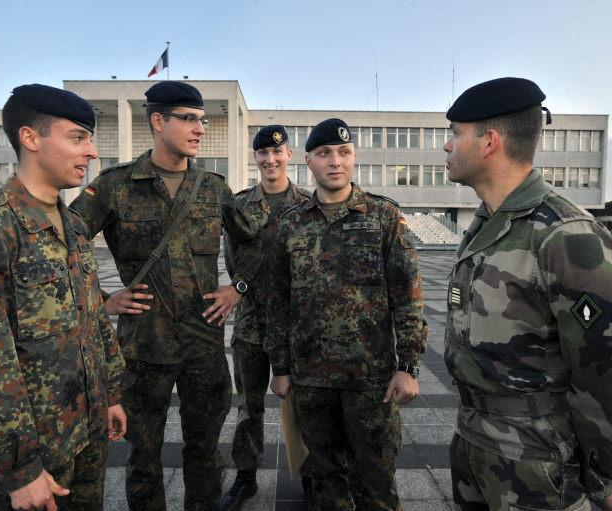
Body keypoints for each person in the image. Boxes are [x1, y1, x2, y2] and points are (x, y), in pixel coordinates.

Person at [442, 77, 612, 511]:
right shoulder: (488, 223)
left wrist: (601, 476)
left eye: (455, 134)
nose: (447, 146)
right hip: (475, 441)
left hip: (537, 463)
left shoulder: (565, 237)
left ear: (489, 141)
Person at [0, 83, 127, 511]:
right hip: (33, 457)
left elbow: (92, 319)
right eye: (78, 137)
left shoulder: (72, 225)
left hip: (85, 434)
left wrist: (111, 394)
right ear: (31, 138)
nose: (91, 152)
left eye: (89, 138)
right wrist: (19, 469)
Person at [70, 80, 262, 510]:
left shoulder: (214, 188)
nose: (199, 129)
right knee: (143, 456)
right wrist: (102, 299)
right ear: (158, 121)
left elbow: (253, 243)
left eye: (203, 121)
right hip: (142, 347)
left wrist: (238, 288)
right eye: (188, 119)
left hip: (203, 345)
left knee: (206, 453)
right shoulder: (117, 185)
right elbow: (63, 241)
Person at [265, 118, 427, 510]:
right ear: (308, 161)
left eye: (344, 152)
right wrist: (280, 367)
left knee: (376, 481)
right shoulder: (290, 225)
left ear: (353, 158)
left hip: (370, 380)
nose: (335, 162)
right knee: (324, 479)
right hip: (311, 379)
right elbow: (278, 301)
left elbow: (408, 296)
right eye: (324, 154)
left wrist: (409, 365)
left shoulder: (384, 217)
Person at [219, 126, 312, 511]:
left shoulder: (309, 203)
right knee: (248, 405)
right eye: (262, 154)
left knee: (305, 404)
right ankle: (245, 477)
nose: (270, 160)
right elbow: (233, 262)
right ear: (255, 158)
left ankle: (311, 474)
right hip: (252, 323)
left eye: (277, 153)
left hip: (298, 325)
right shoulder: (240, 206)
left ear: (288, 155)